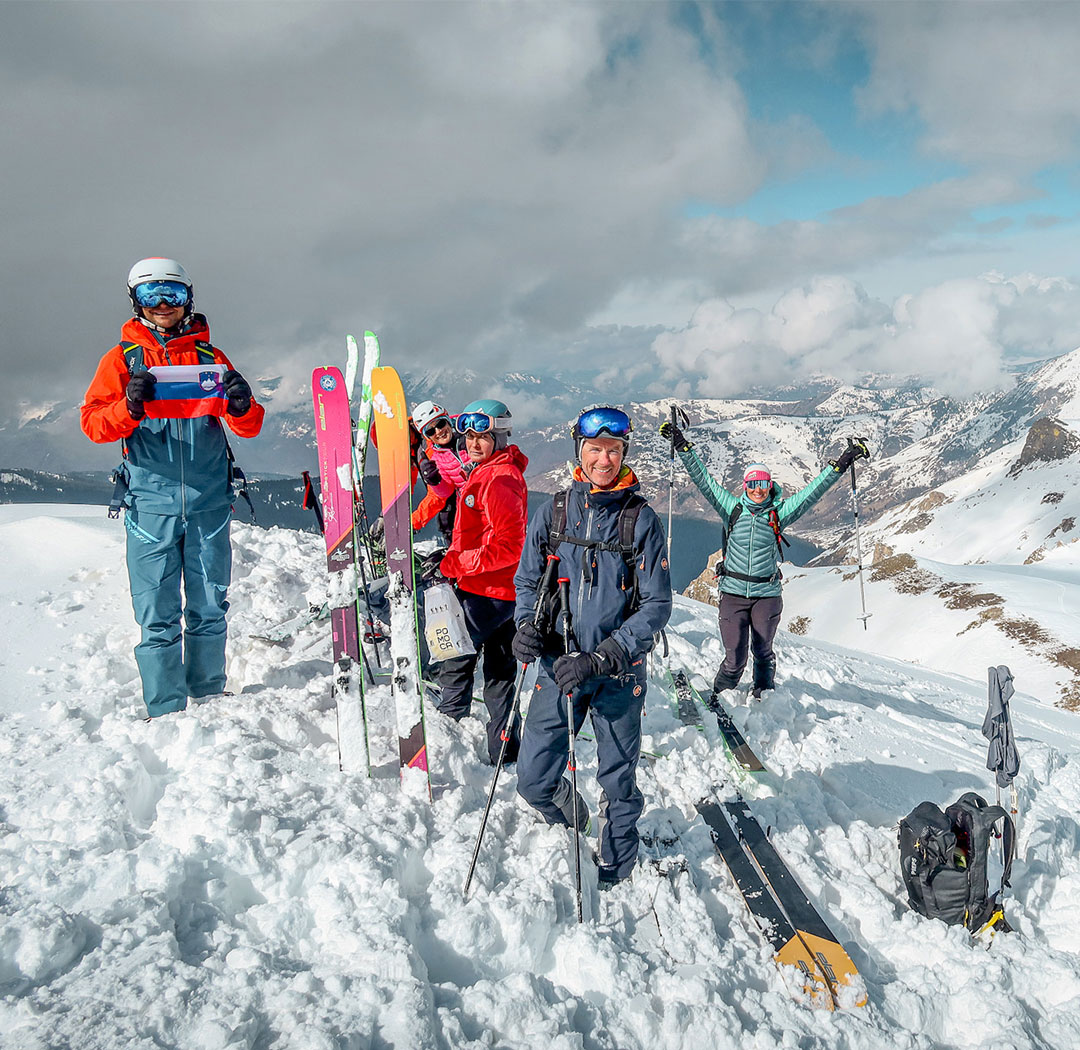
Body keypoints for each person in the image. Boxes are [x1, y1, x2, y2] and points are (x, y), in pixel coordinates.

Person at [81, 258, 264, 718]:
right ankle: (164, 710)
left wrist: (241, 404)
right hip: (150, 505)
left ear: (188, 298)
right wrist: (129, 407)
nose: (163, 304)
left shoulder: (211, 358)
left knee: (208, 604)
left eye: (173, 294)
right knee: (157, 613)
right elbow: (94, 425)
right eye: (150, 295)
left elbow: (248, 426)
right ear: (135, 301)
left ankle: (207, 698)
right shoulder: (122, 359)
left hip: (208, 503)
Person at [513, 406, 672, 890]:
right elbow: (526, 578)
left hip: (616, 673)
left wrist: (604, 656)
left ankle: (617, 866)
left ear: (624, 452)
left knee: (618, 779)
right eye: (595, 449)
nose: (605, 459)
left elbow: (656, 606)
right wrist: (526, 626)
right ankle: (566, 811)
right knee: (532, 780)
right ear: (579, 452)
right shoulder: (555, 511)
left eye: (614, 449)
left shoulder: (639, 520)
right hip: (559, 666)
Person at [660, 417, 868, 701]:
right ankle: (720, 697)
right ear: (744, 485)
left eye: (764, 483)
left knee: (762, 652)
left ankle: (764, 696)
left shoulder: (779, 513)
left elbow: (812, 493)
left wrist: (841, 463)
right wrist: (682, 446)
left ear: (771, 486)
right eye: (752, 483)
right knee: (734, 657)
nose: (758, 489)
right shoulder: (731, 508)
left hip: (767, 595)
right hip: (733, 594)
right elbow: (704, 481)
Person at [423, 399, 528, 764]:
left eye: (482, 436)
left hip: (484, 593)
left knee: (453, 660)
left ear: (499, 435)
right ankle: (505, 750)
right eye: (468, 436)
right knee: (499, 674)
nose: (472, 443)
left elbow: (509, 545)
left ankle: (447, 741)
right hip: (502, 595)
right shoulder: (489, 471)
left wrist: (455, 563)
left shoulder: (499, 478)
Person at [410, 400, 470, 540]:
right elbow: (440, 495)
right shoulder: (435, 458)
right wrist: (435, 481)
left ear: (447, 419)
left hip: (493, 505)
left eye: (440, 423)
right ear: (427, 437)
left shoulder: (470, 434)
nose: (439, 431)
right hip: (467, 515)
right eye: (431, 431)